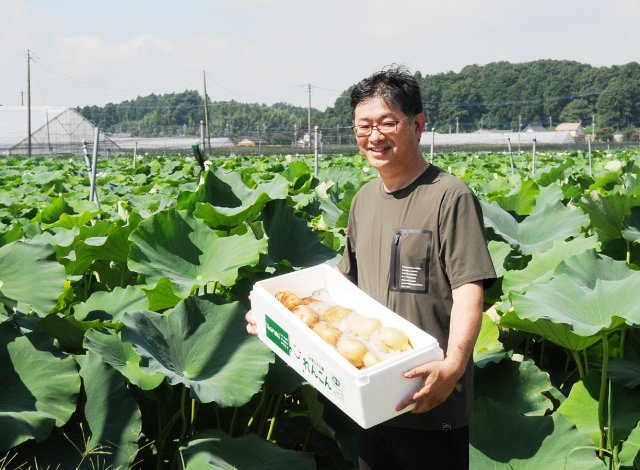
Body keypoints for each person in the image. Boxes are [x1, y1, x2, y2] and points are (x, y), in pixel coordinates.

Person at [247, 65, 496, 470]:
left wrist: (452, 367)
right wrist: (277, 319)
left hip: (428, 398)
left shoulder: (450, 196)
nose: (374, 136)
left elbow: (469, 291)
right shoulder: (364, 199)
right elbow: (343, 290)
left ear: (417, 125)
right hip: (368, 396)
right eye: (364, 126)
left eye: (387, 123)